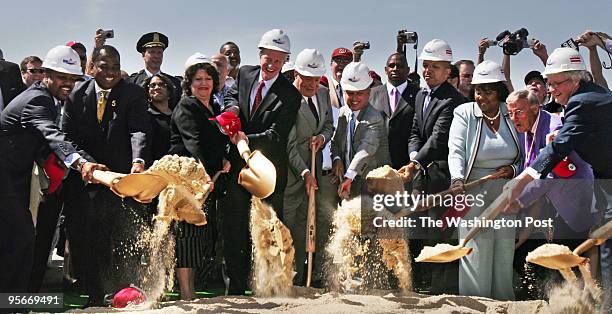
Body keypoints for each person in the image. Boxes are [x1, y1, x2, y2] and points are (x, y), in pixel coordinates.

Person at [503, 47, 612, 311]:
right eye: (548, 83)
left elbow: (559, 147)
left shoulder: (582, 101)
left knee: (607, 250)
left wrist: (523, 181)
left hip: (587, 195)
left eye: (555, 83)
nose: (550, 89)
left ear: (576, 79)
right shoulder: (590, 97)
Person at [0, 45, 105, 293]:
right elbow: (53, 136)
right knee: (21, 239)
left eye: (72, 79)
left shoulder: (48, 98)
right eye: (62, 77)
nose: (68, 84)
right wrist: (81, 163)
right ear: (46, 74)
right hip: (5, 178)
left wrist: (88, 162)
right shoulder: (38, 100)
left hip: (14, 177)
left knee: (19, 241)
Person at [61, 45, 150, 306]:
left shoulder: (132, 93)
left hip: (122, 182)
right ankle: (95, 296)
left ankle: (122, 294)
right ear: (92, 66)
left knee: (122, 239)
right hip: (86, 182)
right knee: (88, 240)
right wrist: (88, 165)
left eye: (115, 67)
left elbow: (139, 129)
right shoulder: (77, 94)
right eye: (104, 66)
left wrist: (138, 160)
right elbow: (66, 137)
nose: (110, 72)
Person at [221, 29, 301, 295]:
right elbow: (232, 97)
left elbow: (276, 135)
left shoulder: (290, 95)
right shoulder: (244, 73)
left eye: (278, 61)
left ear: (285, 62)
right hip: (237, 168)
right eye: (268, 58)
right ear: (260, 54)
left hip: (268, 172)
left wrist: (245, 138)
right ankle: (235, 288)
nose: (272, 65)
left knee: (267, 229)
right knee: (234, 228)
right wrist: (232, 113)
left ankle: (266, 287)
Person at [506, 89, 595, 300]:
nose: (514, 118)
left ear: (535, 108)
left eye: (518, 112)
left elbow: (547, 175)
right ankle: (564, 298)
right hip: (553, 202)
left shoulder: (554, 127)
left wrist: (519, 199)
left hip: (576, 199)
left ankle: (584, 302)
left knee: (574, 254)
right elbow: (530, 165)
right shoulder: (525, 128)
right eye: (510, 113)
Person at [398, 39, 467, 295]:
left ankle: (445, 289)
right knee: (425, 232)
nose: (428, 71)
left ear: (448, 71)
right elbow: (415, 131)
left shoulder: (453, 100)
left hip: (444, 179)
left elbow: (439, 139)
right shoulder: (421, 95)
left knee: (444, 233)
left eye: (435, 67)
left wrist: (414, 163)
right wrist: (414, 157)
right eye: (426, 66)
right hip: (423, 177)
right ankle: (430, 285)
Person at [448, 60, 520, 300]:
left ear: (499, 91)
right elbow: (456, 150)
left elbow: (528, 153)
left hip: (506, 190)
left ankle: (503, 302)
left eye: (488, 91)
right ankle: (475, 301)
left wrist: (512, 168)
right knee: (475, 248)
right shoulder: (464, 113)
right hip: (472, 189)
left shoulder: (512, 113)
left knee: (503, 248)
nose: (481, 97)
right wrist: (457, 179)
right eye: (478, 90)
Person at [169, 58, 230, 299]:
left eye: (208, 79)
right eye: (198, 80)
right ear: (189, 84)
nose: (204, 83)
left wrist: (223, 159)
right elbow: (193, 142)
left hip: (206, 180)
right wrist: (205, 172)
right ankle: (187, 293)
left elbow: (216, 142)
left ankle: (191, 290)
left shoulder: (213, 108)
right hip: (187, 180)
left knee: (199, 236)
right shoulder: (186, 106)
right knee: (187, 235)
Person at [283, 49, 334, 286]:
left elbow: (328, 126)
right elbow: (289, 145)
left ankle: (309, 279)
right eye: (308, 79)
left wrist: (322, 138)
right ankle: (291, 279)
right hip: (294, 177)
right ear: (296, 74)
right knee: (292, 228)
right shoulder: (287, 99)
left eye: (316, 79)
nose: (313, 84)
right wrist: (304, 172)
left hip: (316, 173)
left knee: (314, 225)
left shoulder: (323, 94)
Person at [331, 61, 390, 198]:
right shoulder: (343, 113)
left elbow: (366, 150)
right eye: (350, 93)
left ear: (369, 92)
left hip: (373, 188)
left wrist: (349, 176)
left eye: (360, 93)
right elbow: (335, 142)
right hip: (349, 184)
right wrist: (337, 158)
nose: (354, 98)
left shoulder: (374, 117)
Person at [369, 52, 419, 170]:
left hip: (407, 165)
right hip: (377, 164)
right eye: (391, 66)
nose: (395, 69)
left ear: (407, 70)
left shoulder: (419, 95)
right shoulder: (372, 94)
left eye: (400, 66)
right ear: (386, 70)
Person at [128, 32, 182, 106]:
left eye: (159, 52)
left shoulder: (174, 83)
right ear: (143, 55)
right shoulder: (132, 82)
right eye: (152, 52)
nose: (156, 56)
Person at [142, 73, 176, 162]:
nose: (157, 88)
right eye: (152, 85)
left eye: (161, 84)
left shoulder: (178, 116)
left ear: (169, 90)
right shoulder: (144, 117)